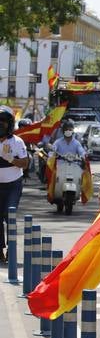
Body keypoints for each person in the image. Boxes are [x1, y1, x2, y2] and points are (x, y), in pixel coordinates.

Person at [0, 107, 29, 263]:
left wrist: (11, 159)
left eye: (3, 121)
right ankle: (0, 250)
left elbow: (25, 163)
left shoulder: (17, 142)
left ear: (9, 124)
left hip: (12, 185)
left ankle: (12, 249)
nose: (0, 124)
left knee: (9, 216)